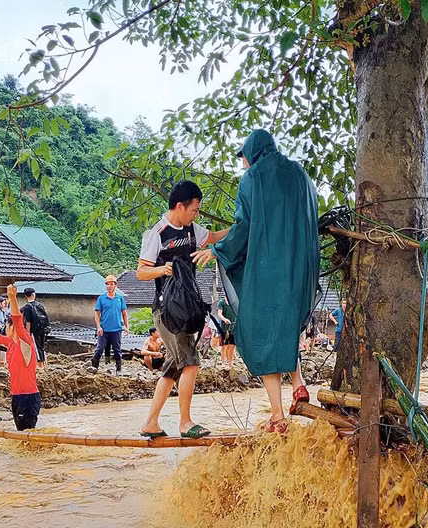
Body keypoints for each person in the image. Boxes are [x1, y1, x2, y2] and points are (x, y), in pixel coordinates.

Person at [192, 129, 320, 434]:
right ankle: (299, 383)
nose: (244, 163)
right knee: (286, 328)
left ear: (252, 151)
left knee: (259, 335)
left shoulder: (253, 179)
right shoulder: (300, 174)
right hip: (300, 268)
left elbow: (244, 226)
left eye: (244, 157)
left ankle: (277, 417)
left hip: (268, 271)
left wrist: (217, 250)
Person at [137, 180, 229, 439]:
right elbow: (141, 271)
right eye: (195, 209)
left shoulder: (191, 230)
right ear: (180, 206)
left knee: (173, 367)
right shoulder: (156, 233)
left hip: (188, 307)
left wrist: (238, 230)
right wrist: (162, 269)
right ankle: (185, 423)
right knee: (190, 362)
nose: (196, 215)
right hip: (167, 311)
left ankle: (151, 423)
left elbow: (212, 237)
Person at [0, 286, 41, 431]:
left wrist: (12, 298)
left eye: (6, 325)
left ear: (11, 328)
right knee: (22, 434)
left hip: (28, 396)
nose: (4, 329)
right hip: (17, 395)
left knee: (27, 434)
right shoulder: (10, 343)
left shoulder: (26, 342)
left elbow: (18, 322)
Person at [92, 274, 129, 374]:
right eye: (107, 284)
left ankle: (119, 369)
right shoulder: (101, 298)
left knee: (117, 350)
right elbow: (97, 313)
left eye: (111, 284)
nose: (109, 286)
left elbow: (124, 313)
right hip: (104, 329)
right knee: (99, 349)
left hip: (116, 329)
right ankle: (94, 367)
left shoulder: (120, 298)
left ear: (115, 285)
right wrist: (98, 327)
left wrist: (126, 326)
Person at [20, 287, 49, 366]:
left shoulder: (27, 307)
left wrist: (27, 333)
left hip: (34, 330)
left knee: (37, 347)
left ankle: (40, 364)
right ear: (33, 294)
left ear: (25, 296)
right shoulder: (40, 305)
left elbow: (28, 322)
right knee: (42, 346)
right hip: (42, 329)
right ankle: (43, 363)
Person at [217, 296, 237, 367]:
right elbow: (219, 313)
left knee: (232, 346)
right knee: (224, 346)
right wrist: (224, 319)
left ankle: (230, 362)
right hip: (224, 327)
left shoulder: (235, 303)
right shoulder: (221, 302)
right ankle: (223, 362)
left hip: (233, 327)